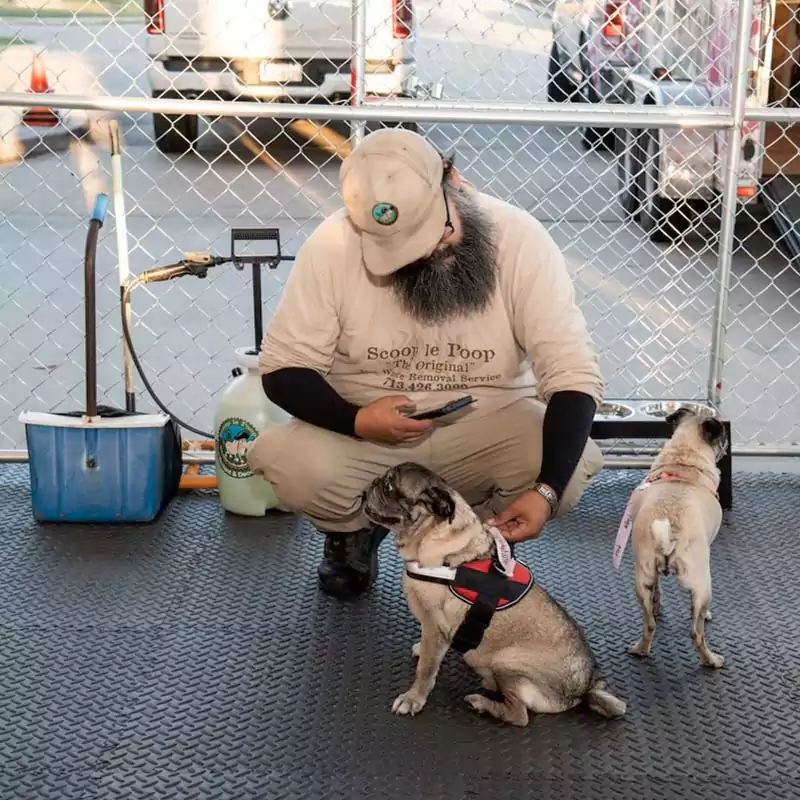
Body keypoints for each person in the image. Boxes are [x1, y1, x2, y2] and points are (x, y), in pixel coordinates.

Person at [247, 128, 605, 600]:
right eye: (401, 248)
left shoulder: (519, 238)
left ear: (452, 180)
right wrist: (355, 421)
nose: (426, 255)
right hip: (367, 438)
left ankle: (478, 540)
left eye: (435, 233)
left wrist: (547, 492)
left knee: (568, 463)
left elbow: (572, 375)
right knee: (290, 465)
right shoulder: (332, 245)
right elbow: (283, 368)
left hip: (486, 426)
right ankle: (355, 528)